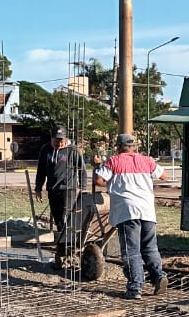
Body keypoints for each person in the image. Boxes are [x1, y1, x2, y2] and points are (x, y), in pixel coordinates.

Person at [94, 133, 169, 300]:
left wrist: (97, 166)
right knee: (150, 248)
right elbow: (164, 176)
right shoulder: (146, 160)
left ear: (118, 147)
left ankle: (135, 287)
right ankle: (159, 276)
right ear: (134, 146)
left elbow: (99, 181)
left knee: (131, 250)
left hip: (127, 211)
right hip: (147, 210)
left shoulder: (114, 161)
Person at [35, 125, 86, 269]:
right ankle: (62, 252)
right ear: (51, 138)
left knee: (65, 220)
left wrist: (82, 188)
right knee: (58, 221)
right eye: (56, 140)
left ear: (65, 138)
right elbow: (41, 170)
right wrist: (38, 188)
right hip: (52, 189)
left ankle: (66, 253)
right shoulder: (46, 150)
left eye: (61, 140)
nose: (59, 143)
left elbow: (81, 170)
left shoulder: (73, 151)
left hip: (68, 189)